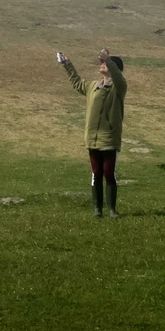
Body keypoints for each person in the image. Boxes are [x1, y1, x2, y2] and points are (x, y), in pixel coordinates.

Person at [58, 48, 127, 217]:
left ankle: (111, 209)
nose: (102, 65)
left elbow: (118, 78)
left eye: (105, 64)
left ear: (113, 67)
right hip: (92, 138)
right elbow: (76, 83)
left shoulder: (119, 88)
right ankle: (97, 209)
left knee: (109, 174)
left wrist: (108, 60)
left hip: (109, 138)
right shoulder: (92, 86)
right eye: (102, 63)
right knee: (96, 174)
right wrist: (67, 64)